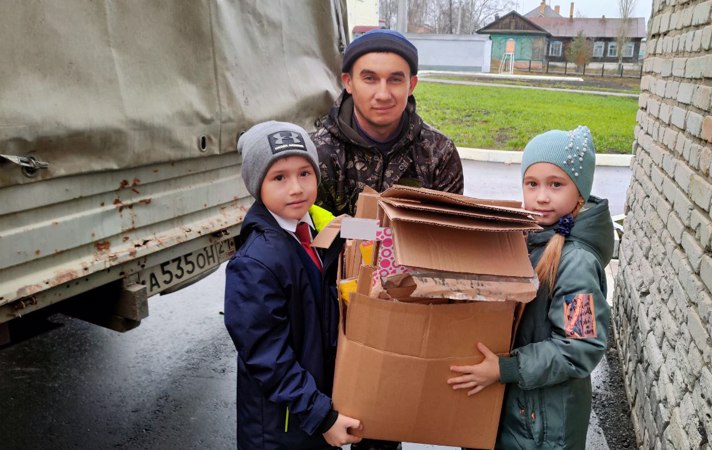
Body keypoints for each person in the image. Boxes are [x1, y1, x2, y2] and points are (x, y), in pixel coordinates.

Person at [447, 126, 614, 450]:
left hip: (544, 429)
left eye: (556, 185)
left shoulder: (575, 263)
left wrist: (506, 367)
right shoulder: (533, 237)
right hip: (523, 413)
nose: (541, 196)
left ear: (579, 192)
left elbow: (580, 347)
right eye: (532, 183)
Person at [224, 121, 361, 450]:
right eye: (279, 177)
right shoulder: (255, 263)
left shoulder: (319, 228)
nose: (296, 188)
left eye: (305, 173)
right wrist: (321, 415)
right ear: (258, 185)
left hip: (318, 407)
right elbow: (267, 356)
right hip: (283, 426)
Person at [312, 28, 464, 217]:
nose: (383, 95)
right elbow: (315, 235)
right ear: (348, 82)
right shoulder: (318, 154)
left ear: (411, 85)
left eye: (395, 80)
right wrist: (376, 233)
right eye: (370, 79)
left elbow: (447, 233)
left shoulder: (439, 153)